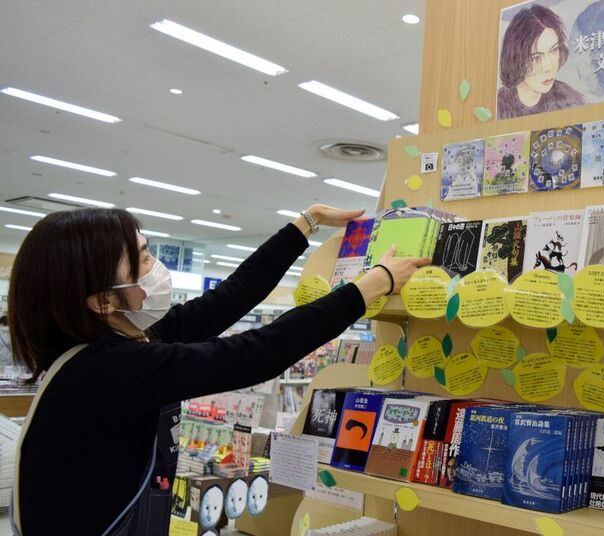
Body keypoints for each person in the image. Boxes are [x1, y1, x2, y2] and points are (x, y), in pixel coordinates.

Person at [8, 205, 427, 535]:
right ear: (102, 301)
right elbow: (255, 353)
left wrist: (306, 222)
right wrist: (366, 289)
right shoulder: (105, 370)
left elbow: (227, 300)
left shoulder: (132, 338)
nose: (155, 267)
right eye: (142, 258)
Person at [497, 4, 585, 120]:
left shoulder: (571, 100)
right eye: (535, 57)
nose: (548, 67)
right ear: (515, 59)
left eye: (554, 50)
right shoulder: (498, 106)